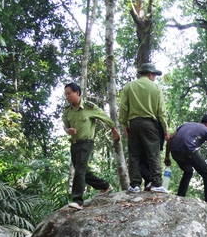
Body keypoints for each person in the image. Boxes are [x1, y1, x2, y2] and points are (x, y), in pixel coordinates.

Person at [63, 82, 120, 210]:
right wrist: (68, 130)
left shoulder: (89, 107)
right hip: (74, 143)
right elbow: (65, 126)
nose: (67, 96)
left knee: (80, 170)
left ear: (77, 93)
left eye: (69, 93)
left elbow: (104, 118)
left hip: (86, 143)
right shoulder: (68, 110)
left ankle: (77, 201)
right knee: (83, 171)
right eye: (66, 94)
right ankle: (105, 186)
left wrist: (114, 130)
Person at [119, 63, 170, 193]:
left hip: (134, 124)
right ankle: (157, 183)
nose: (154, 78)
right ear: (149, 74)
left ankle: (134, 185)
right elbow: (161, 111)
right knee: (153, 154)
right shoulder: (155, 88)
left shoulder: (129, 87)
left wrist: (124, 125)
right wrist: (165, 128)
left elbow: (123, 108)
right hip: (150, 124)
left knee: (134, 154)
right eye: (154, 75)